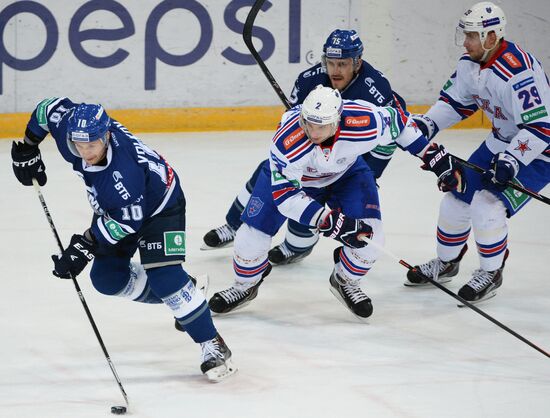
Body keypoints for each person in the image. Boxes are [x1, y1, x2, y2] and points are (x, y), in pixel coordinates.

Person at [11, 98, 237, 382]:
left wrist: (85, 244)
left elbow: (127, 223)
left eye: (91, 145)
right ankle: (187, 293)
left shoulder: (123, 173)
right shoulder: (73, 127)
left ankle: (211, 343)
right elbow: (47, 108)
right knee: (107, 279)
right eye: (78, 145)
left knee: (165, 278)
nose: (84, 152)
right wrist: (29, 146)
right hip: (116, 209)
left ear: (106, 136)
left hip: (160, 207)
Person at [207, 85, 465, 319]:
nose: (313, 132)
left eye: (321, 126)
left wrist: (433, 157)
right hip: (295, 184)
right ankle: (245, 286)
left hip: (347, 174)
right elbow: (286, 198)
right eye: (308, 124)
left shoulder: (363, 120)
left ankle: (345, 280)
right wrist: (329, 221)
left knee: (371, 239)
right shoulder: (286, 142)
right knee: (248, 240)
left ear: (338, 121)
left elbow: (400, 123)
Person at [203, 29, 407, 266]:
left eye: (342, 64)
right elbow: (293, 126)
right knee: (267, 171)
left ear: (357, 62)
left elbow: (392, 136)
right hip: (312, 153)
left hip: (346, 160)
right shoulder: (309, 80)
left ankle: (296, 247)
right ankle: (233, 223)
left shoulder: (376, 87)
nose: (335, 71)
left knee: (316, 201)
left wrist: (372, 174)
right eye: (330, 63)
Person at [405, 2, 550, 304]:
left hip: (538, 152)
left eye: (472, 35)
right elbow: (457, 102)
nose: (466, 42)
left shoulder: (518, 72)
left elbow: (540, 127)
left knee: (486, 205)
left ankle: (491, 272)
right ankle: (446, 263)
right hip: (500, 142)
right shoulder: (469, 63)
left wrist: (512, 160)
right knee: (455, 199)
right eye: (466, 35)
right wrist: (428, 123)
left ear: (493, 37)